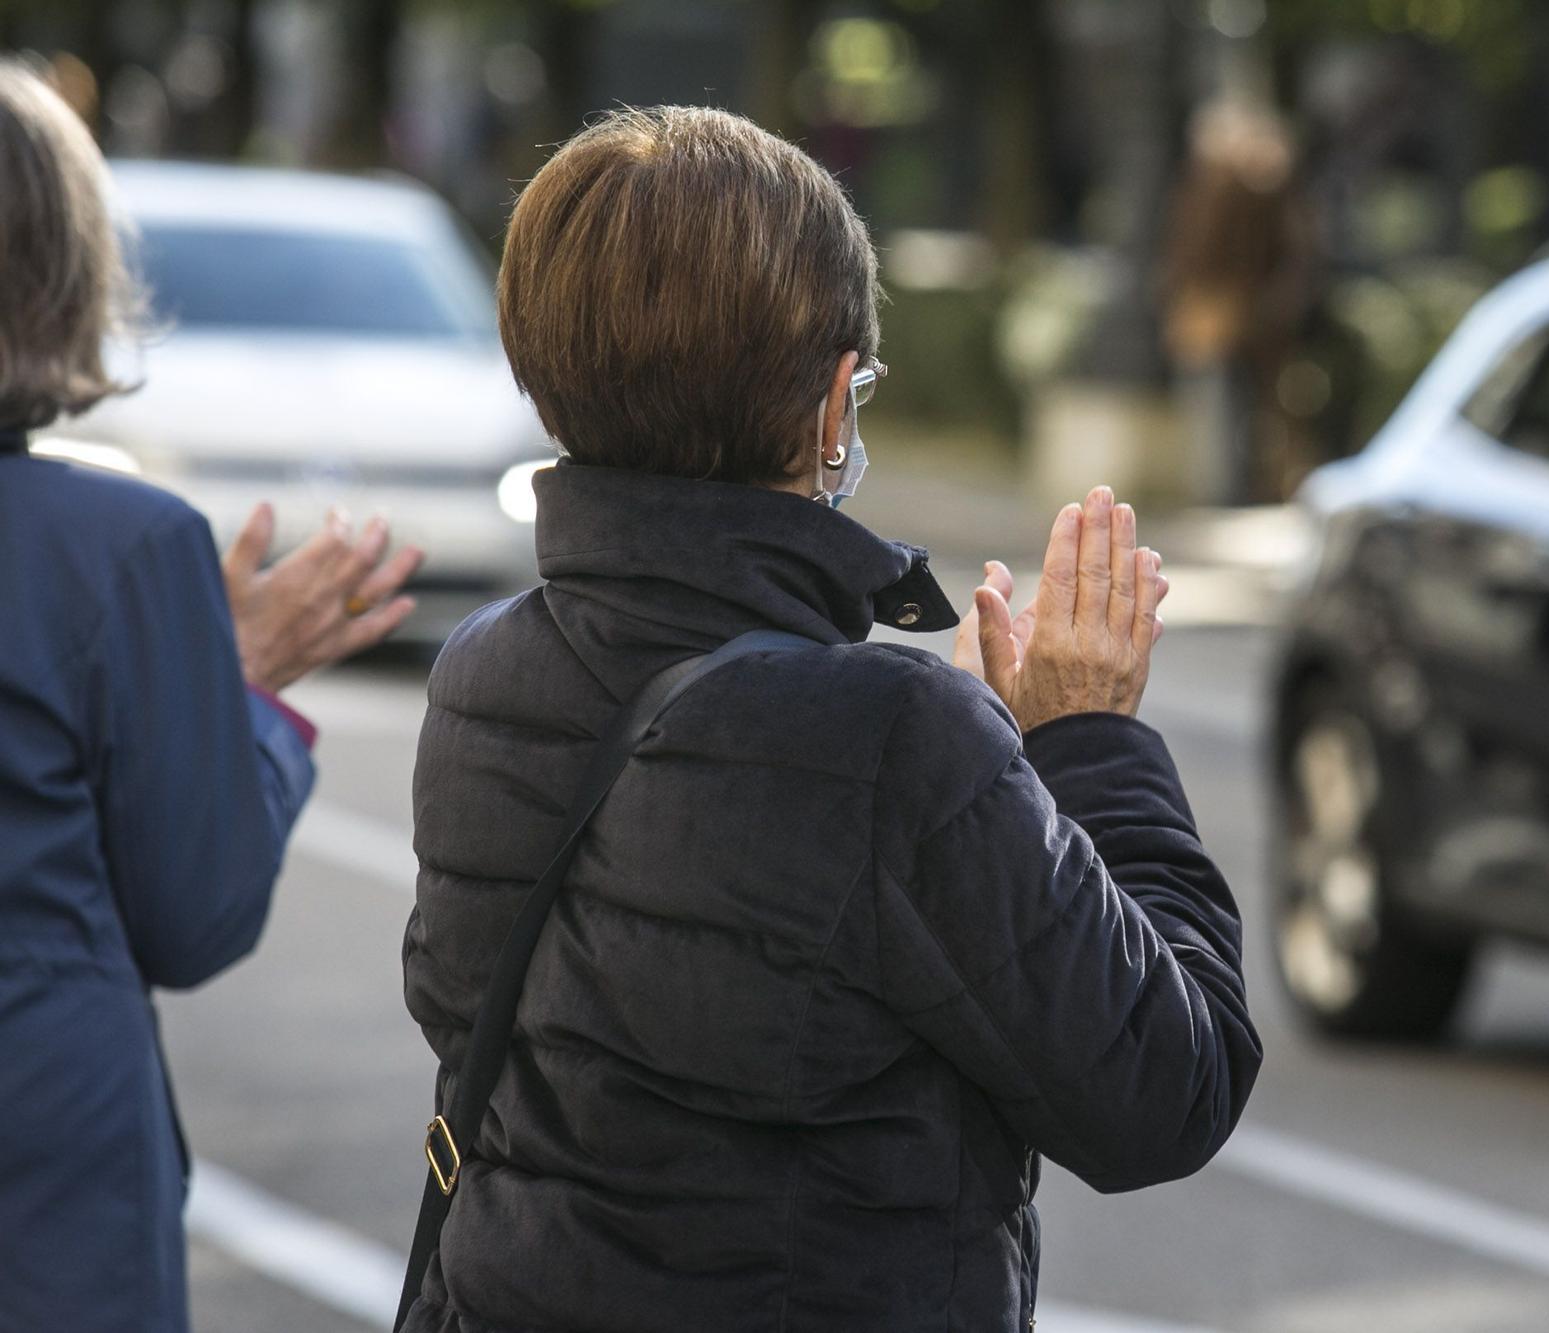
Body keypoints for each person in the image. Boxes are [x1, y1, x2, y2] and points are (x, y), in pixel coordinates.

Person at [399, 106, 1262, 1332]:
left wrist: (972, 762)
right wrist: (1085, 740)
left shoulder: (483, 671)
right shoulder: (894, 739)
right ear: (823, 414)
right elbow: (1166, 1088)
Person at [0, 60, 422, 1332]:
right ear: (62, 277)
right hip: (42, 1146)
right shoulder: (116, 548)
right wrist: (233, 694)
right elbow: (192, 914)